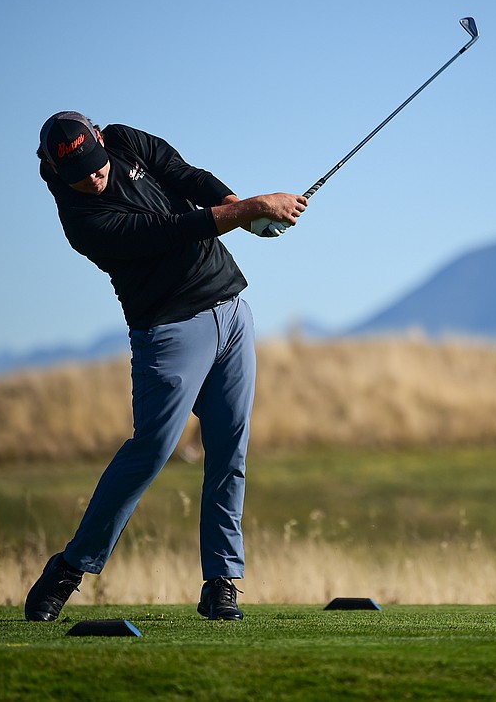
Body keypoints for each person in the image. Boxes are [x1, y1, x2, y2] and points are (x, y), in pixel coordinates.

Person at [24, 111, 307, 621]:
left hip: (231, 307)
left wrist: (234, 204)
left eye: (95, 162)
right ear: (54, 169)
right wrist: (250, 210)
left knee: (230, 449)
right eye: (79, 173)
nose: (93, 176)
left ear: (99, 138)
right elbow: (172, 229)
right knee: (151, 449)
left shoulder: (125, 141)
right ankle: (70, 567)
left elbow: (187, 178)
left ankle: (221, 581)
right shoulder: (83, 221)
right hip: (170, 330)